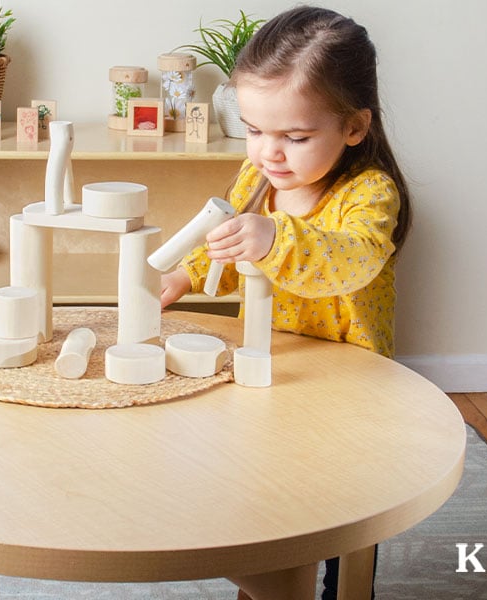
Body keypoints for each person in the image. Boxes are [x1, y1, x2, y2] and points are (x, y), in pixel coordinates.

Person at [157, 5, 411, 599]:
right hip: (268, 363)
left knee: (341, 510)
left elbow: (352, 259)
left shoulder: (368, 194)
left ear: (353, 127)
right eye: (253, 130)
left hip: (348, 383)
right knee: (266, 497)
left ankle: (343, 585)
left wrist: (275, 238)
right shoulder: (257, 181)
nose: (269, 152)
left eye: (294, 137)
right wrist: (186, 276)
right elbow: (221, 238)